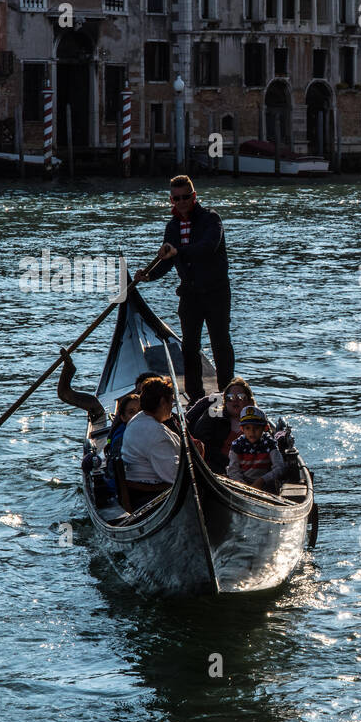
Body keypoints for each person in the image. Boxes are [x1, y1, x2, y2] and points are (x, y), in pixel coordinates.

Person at [133, 175, 234, 403]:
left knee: (220, 343)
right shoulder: (173, 226)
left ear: (194, 196)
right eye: (176, 198)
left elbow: (207, 248)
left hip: (216, 293)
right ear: (172, 200)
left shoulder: (211, 219)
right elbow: (168, 260)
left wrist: (178, 252)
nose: (182, 202)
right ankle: (196, 397)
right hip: (190, 295)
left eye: (186, 197)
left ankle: (228, 392)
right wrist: (149, 276)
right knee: (189, 347)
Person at [121, 376, 187, 509]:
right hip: (150, 494)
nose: (171, 407)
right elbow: (175, 476)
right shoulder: (156, 434)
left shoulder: (137, 419)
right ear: (163, 402)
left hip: (139, 486)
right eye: (171, 402)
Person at [186, 376, 255, 475]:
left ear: (249, 401)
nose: (235, 401)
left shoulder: (256, 420)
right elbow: (203, 445)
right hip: (217, 469)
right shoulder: (213, 416)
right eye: (230, 398)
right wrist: (229, 464)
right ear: (225, 402)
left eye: (241, 397)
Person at [228, 406, 286, 492]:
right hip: (243, 485)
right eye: (248, 428)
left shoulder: (270, 444)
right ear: (242, 429)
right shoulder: (237, 445)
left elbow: (279, 468)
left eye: (256, 428)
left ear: (265, 428)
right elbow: (233, 471)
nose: (252, 432)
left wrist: (262, 480)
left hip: (266, 484)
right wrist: (243, 485)